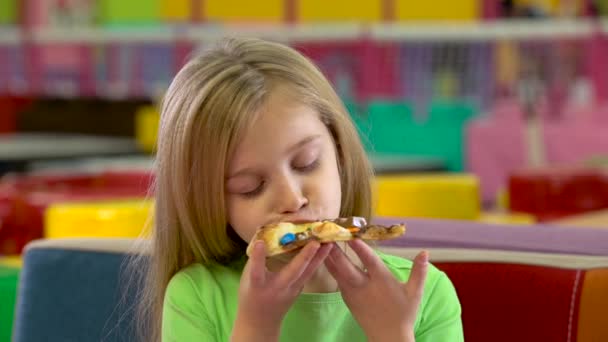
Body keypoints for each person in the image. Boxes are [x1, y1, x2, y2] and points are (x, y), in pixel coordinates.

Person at [136, 37, 463, 342]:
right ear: (209, 204)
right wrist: (256, 328)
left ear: (339, 151)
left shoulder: (422, 294)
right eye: (250, 187)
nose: (293, 200)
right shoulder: (196, 296)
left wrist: (394, 334)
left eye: (306, 163)